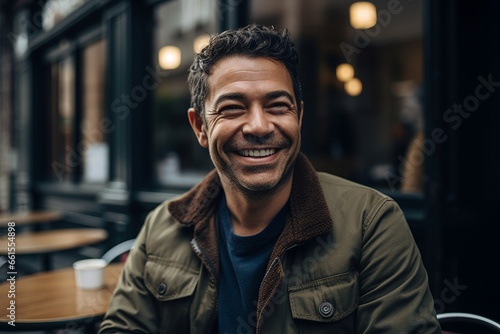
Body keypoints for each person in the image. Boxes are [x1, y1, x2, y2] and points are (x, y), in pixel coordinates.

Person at [99, 24, 441, 333]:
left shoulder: (372, 223)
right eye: (232, 108)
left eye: (278, 105)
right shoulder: (162, 226)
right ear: (200, 127)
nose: (260, 126)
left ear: (299, 116)